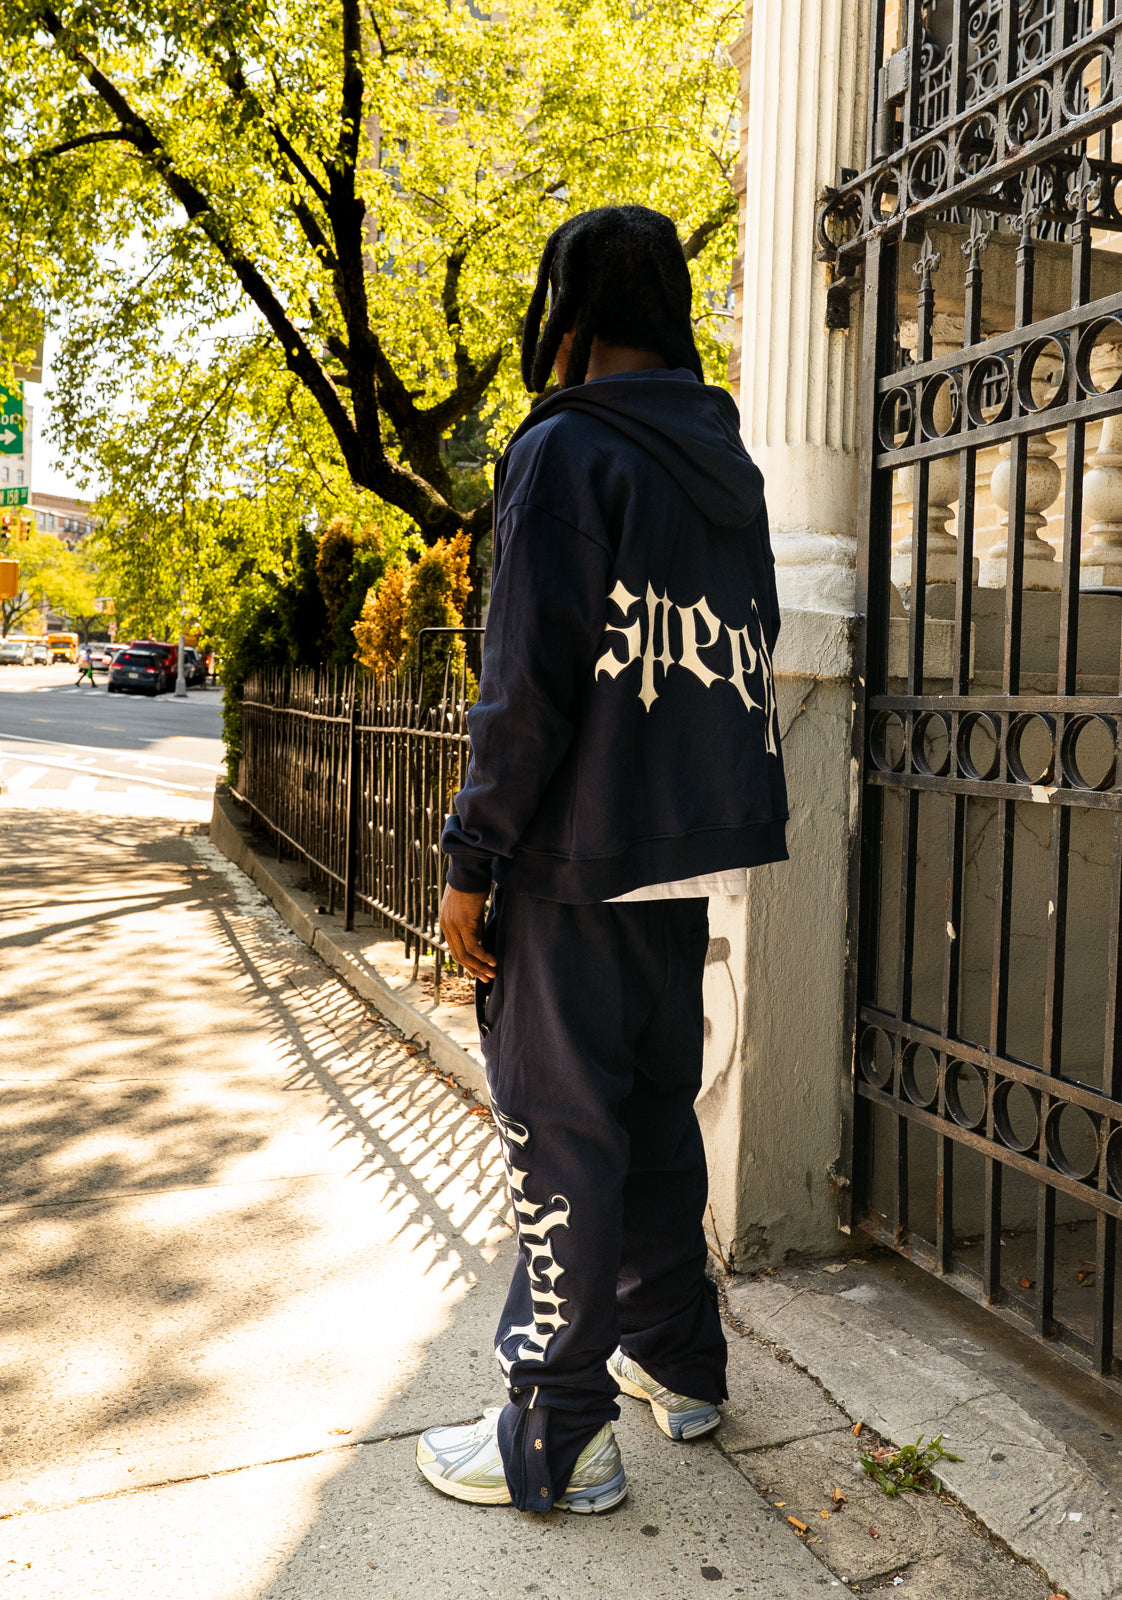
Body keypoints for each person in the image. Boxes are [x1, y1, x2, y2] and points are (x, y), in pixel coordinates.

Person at [417, 205, 788, 1515]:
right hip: (681, 848)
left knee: (559, 1131)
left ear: (566, 308)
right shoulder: (723, 458)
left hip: (572, 855)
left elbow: (524, 681)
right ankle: (678, 1366)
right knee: (642, 1114)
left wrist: (471, 855)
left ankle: (556, 1431)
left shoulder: (567, 447)